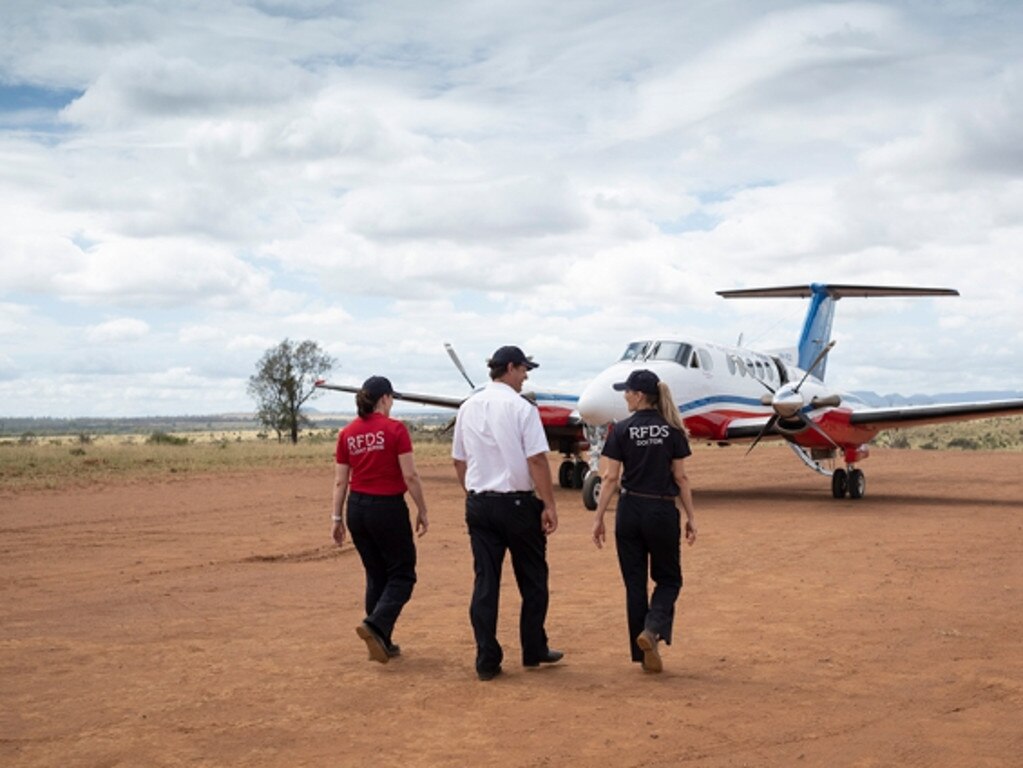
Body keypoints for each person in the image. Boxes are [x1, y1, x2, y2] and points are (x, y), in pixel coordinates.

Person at [452, 345, 562, 681]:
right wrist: (548, 503)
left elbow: (459, 459)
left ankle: (487, 658)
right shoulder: (521, 407)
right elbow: (537, 459)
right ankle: (533, 648)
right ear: (510, 368)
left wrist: (473, 492)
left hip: (480, 503)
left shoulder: (467, 407)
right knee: (533, 579)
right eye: (524, 369)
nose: (526, 376)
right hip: (517, 505)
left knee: (486, 582)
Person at [591, 369, 697, 673]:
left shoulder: (620, 430)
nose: (624, 395)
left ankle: (642, 654)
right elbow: (681, 477)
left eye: (627, 391)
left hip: (629, 510)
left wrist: (599, 518)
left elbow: (611, 478)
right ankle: (651, 631)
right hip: (661, 511)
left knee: (634, 584)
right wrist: (690, 516)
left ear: (639, 395)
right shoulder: (672, 429)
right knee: (669, 579)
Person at [332, 375, 429, 664]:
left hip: (357, 509)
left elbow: (341, 482)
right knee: (402, 574)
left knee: (376, 574)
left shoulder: (347, 433)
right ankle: (375, 625)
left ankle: (380, 640)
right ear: (385, 398)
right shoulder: (395, 429)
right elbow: (410, 475)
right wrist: (422, 509)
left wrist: (336, 517)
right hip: (387, 509)